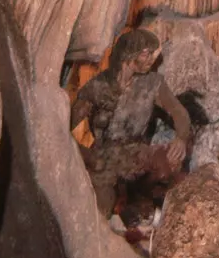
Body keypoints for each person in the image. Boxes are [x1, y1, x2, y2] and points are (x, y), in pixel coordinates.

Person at [71, 28, 193, 227]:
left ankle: (144, 205)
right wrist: (82, 155)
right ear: (129, 53)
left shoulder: (152, 83)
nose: (151, 59)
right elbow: (64, 125)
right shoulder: (98, 87)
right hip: (104, 157)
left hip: (136, 152)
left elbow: (179, 113)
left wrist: (181, 137)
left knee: (170, 162)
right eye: (146, 53)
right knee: (102, 208)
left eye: (153, 54)